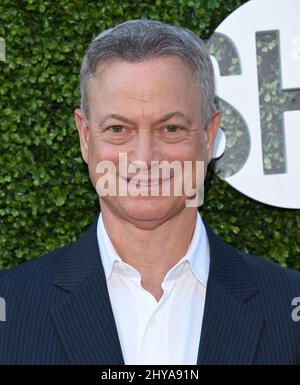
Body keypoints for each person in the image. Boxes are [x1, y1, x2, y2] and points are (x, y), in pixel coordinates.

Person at [0, 19, 300, 365]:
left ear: (208, 135)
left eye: (170, 128)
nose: (144, 158)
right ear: (85, 137)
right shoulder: (12, 308)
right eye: (118, 128)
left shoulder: (288, 307)